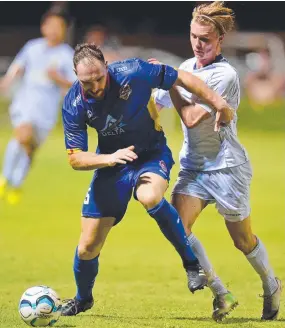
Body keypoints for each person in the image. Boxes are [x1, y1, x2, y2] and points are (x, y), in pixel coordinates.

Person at [60, 43, 234, 316]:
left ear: (107, 67)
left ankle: (192, 265)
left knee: (150, 196)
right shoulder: (74, 103)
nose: (94, 86)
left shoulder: (134, 72)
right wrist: (109, 159)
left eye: (99, 78)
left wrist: (218, 102)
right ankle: (83, 299)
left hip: (151, 154)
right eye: (86, 81)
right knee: (87, 247)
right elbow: (75, 158)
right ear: (75, 75)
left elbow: (180, 76)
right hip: (112, 164)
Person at [153, 1, 281, 322]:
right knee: (177, 227)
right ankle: (221, 293)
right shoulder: (185, 67)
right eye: (194, 37)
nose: (198, 44)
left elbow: (194, 116)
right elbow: (155, 101)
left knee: (242, 240)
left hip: (227, 169)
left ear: (219, 39)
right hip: (194, 168)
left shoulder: (226, 75)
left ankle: (271, 284)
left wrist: (172, 83)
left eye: (206, 39)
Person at [0, 10, 76, 204]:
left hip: (46, 110)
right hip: (25, 102)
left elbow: (75, 84)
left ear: (64, 30)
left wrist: (58, 78)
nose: (53, 30)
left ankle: (16, 183)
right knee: (22, 134)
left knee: (29, 148)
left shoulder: (67, 55)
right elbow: (18, 64)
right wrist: (8, 80)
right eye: (50, 25)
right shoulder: (32, 47)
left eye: (58, 27)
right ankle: (4, 178)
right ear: (43, 27)